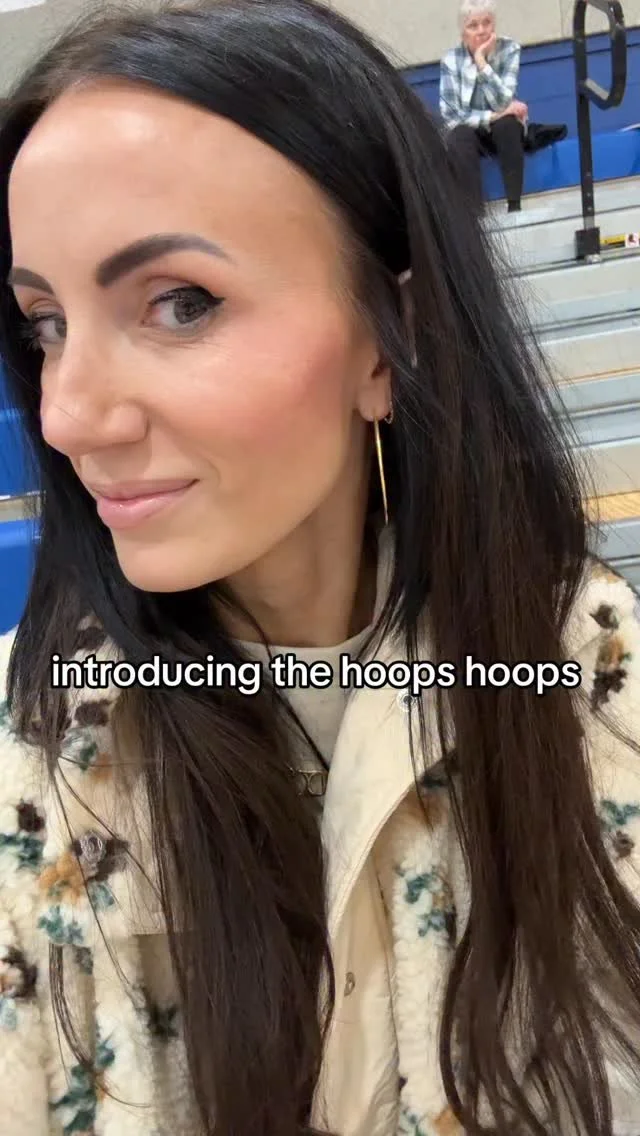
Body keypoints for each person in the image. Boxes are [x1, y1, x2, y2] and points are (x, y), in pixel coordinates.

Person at [1, 2, 640, 1134]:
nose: (68, 415)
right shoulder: (34, 747)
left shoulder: (591, 671)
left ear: (389, 340)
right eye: (45, 322)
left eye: (180, 303)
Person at [440, 1, 567, 213]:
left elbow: (502, 101)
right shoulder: (450, 60)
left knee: (508, 124)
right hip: (470, 133)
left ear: (494, 25)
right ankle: (474, 213)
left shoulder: (509, 49)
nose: (481, 31)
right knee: (459, 135)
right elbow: (451, 116)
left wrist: (481, 63)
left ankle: (514, 206)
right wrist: (491, 116)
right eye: (473, 25)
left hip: (500, 131)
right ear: (463, 33)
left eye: (487, 23)